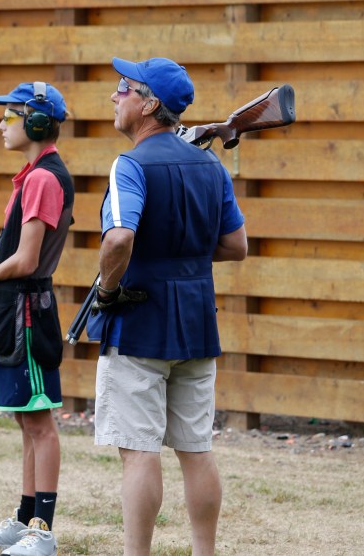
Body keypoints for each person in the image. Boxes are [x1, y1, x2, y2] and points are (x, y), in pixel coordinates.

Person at [87, 57, 248, 556]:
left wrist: (107, 291)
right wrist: (183, 258)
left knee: (139, 454)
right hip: (198, 322)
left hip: (138, 322)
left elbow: (119, 238)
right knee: (197, 451)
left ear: (149, 104)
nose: (115, 95)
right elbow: (236, 246)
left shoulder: (129, 164)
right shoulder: (211, 164)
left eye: (124, 87)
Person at [0, 82, 74, 556]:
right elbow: (15, 251)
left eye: (9, 116)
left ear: (37, 122)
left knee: (39, 422)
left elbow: (26, 260)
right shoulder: (32, 176)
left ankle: (42, 530)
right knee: (27, 422)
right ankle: (26, 518)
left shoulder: (43, 179)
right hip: (16, 313)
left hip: (27, 316)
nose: (0, 125)